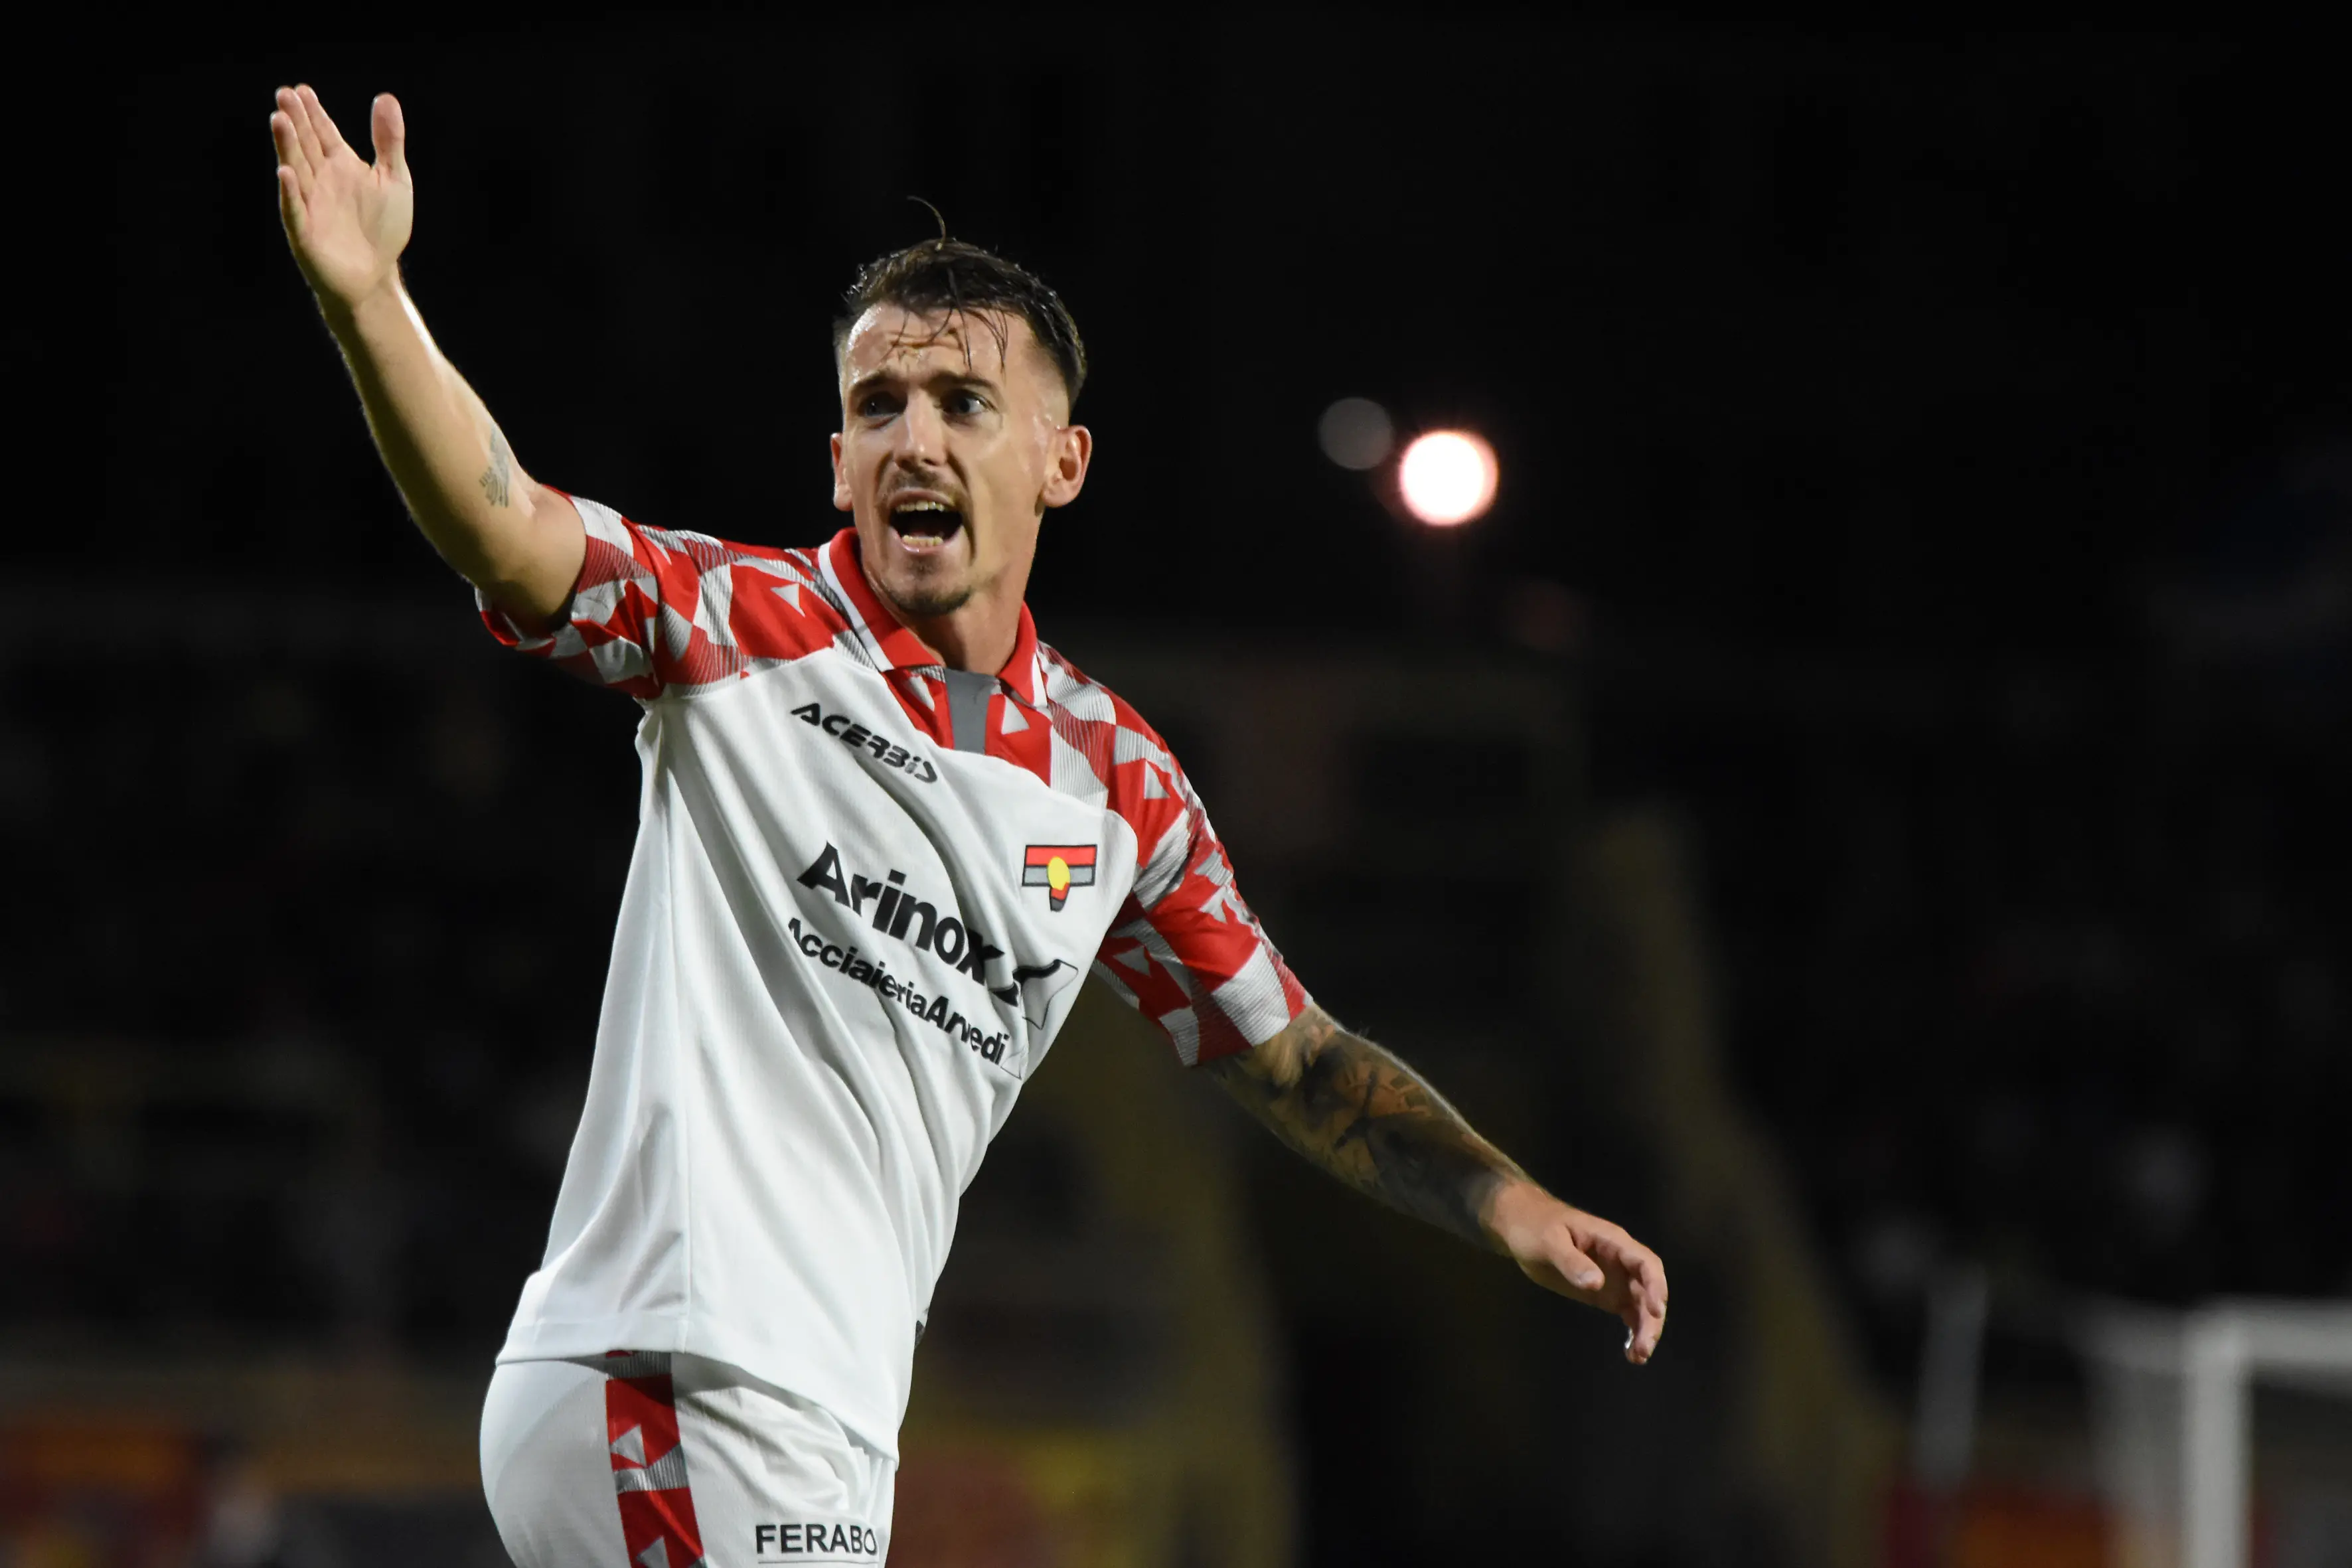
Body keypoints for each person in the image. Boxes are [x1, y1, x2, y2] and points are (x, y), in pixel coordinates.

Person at [269, 82, 1668, 1568]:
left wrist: (1504, 1199)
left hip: (821, 1410)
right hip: (670, 1372)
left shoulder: (1115, 784)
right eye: (878, 407)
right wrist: (372, 302)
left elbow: (1296, 1055)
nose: (912, 439)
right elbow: (505, 521)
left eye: (961, 404)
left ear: (1058, 463)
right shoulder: (744, 628)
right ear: (835, 460)